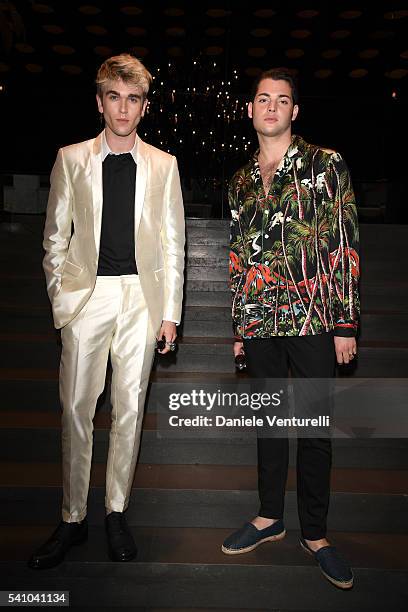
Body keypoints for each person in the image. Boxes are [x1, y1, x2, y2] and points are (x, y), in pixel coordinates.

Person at [28, 54, 185, 569]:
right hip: (87, 298)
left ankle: (115, 510)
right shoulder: (71, 159)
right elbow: (55, 237)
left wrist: (170, 314)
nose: (123, 108)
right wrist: (63, 301)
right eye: (114, 97)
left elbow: (172, 244)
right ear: (100, 102)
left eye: (133, 98)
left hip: (142, 299)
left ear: (143, 107)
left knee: (130, 410)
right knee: (76, 408)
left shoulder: (164, 164)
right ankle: (72, 517)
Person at [223, 68, 359, 590]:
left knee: (314, 427)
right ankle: (268, 516)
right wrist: (241, 324)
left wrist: (345, 323)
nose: (272, 107)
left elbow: (345, 242)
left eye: (282, 100)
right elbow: (238, 257)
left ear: (294, 111)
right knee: (269, 423)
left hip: (314, 319)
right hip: (259, 322)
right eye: (263, 98)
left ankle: (317, 535)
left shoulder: (326, 165)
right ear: (250, 110)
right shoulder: (239, 182)